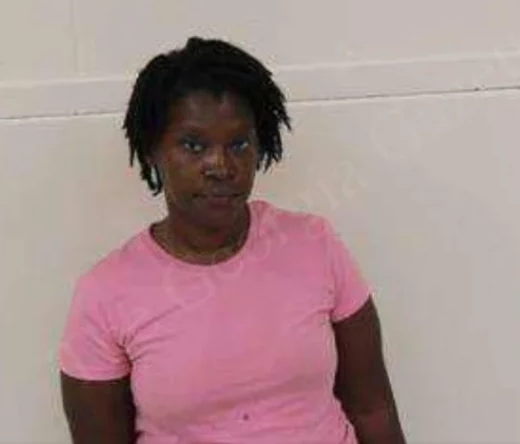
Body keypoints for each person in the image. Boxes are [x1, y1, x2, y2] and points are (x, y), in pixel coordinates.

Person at [58, 36, 406, 444]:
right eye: (193, 145)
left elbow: (373, 410)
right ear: (153, 150)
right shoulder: (105, 293)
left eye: (239, 144)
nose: (220, 166)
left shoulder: (315, 244)